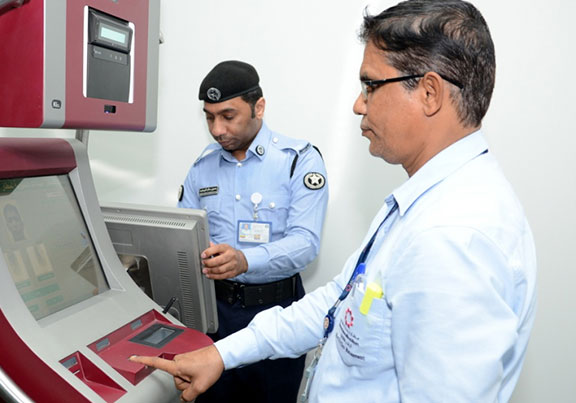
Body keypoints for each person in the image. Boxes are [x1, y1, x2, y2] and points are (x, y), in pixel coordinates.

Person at [131, 1, 538, 402]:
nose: (359, 104)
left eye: (371, 86)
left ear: (429, 93)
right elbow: (337, 298)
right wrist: (221, 353)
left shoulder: (452, 238)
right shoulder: (422, 205)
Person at [175, 60, 329, 402]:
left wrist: (245, 260)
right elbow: (182, 234)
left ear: (258, 106)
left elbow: (305, 243)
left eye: (228, 116)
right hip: (217, 317)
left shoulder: (298, 160)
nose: (217, 129)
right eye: (209, 117)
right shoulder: (203, 167)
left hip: (279, 313)